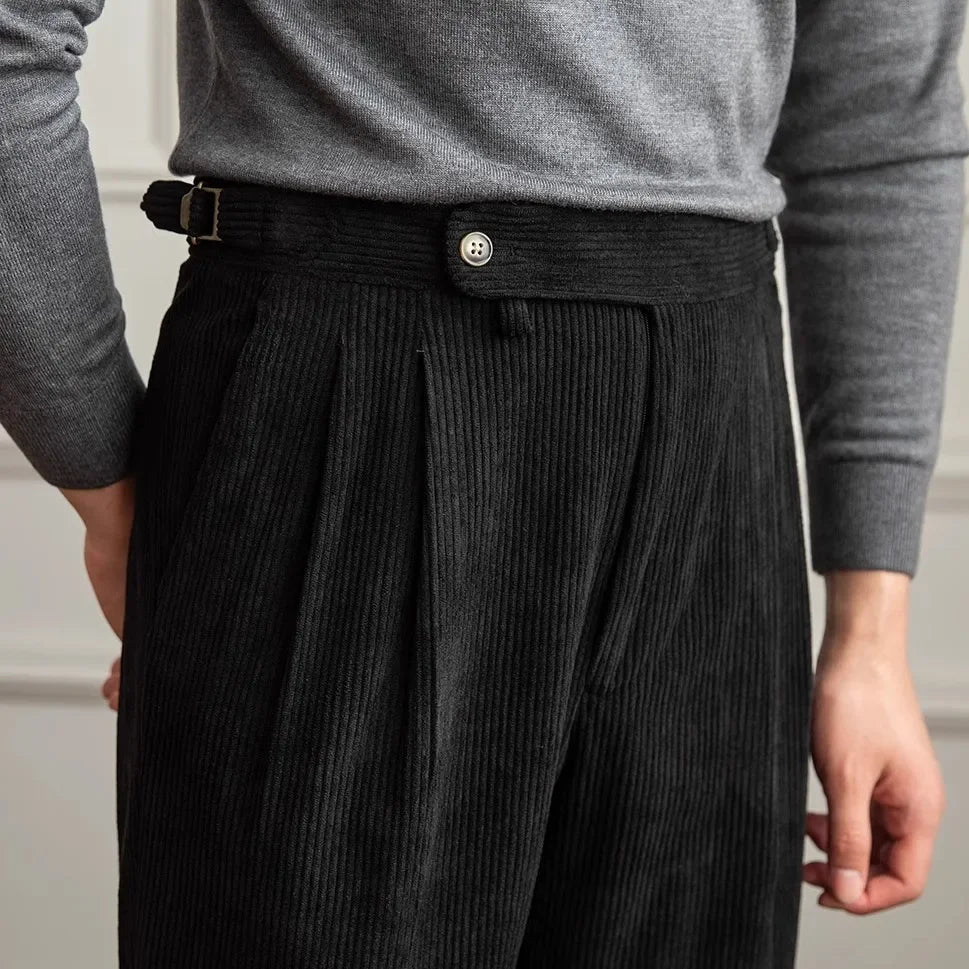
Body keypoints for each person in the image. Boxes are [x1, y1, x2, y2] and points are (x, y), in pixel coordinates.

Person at [1, 1, 965, 966]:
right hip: (343, 401)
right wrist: (103, 478)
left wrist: (869, 631)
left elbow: (880, 114)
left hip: (714, 446)